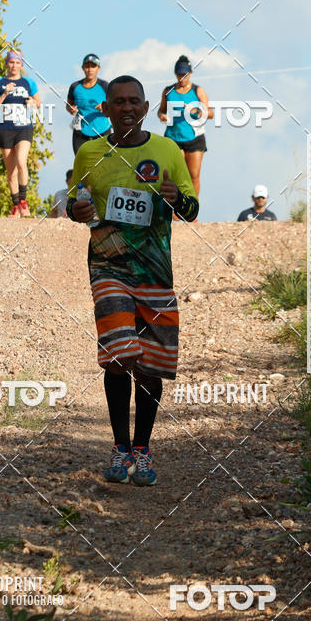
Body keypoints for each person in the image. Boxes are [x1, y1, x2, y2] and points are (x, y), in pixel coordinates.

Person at [68, 75, 198, 486]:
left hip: (156, 271)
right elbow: (74, 201)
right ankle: (119, 447)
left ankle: (142, 449)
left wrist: (177, 198)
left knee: (149, 365)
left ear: (145, 109)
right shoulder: (90, 152)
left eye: (133, 102)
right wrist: (79, 209)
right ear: (104, 109)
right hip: (108, 267)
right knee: (119, 353)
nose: (126, 108)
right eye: (118, 102)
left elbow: (192, 209)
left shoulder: (167, 149)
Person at [0, 50, 40, 217]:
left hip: (24, 127)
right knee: (11, 171)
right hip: (5, 128)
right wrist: (4, 93)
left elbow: (38, 102)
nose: (14, 66)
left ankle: (24, 202)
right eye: (11, 62)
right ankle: (16, 205)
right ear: (6, 64)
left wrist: (33, 102)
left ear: (22, 65)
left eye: (17, 63)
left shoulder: (28, 82)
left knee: (21, 162)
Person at [157, 54, 213, 196]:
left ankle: (192, 210)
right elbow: (161, 111)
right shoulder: (168, 91)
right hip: (173, 137)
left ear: (190, 73)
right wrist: (162, 116)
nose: (182, 78)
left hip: (194, 137)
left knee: (193, 175)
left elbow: (211, 113)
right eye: (179, 74)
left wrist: (196, 110)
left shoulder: (197, 90)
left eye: (185, 74)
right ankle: (177, 208)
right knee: (177, 175)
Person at [66, 53, 110, 154]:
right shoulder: (75, 86)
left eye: (93, 66)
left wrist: (105, 107)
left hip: (102, 129)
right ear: (83, 68)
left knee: (104, 162)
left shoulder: (105, 86)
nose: (90, 70)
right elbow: (69, 105)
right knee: (81, 162)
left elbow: (113, 105)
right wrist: (71, 109)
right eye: (87, 66)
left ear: (98, 68)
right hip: (80, 131)